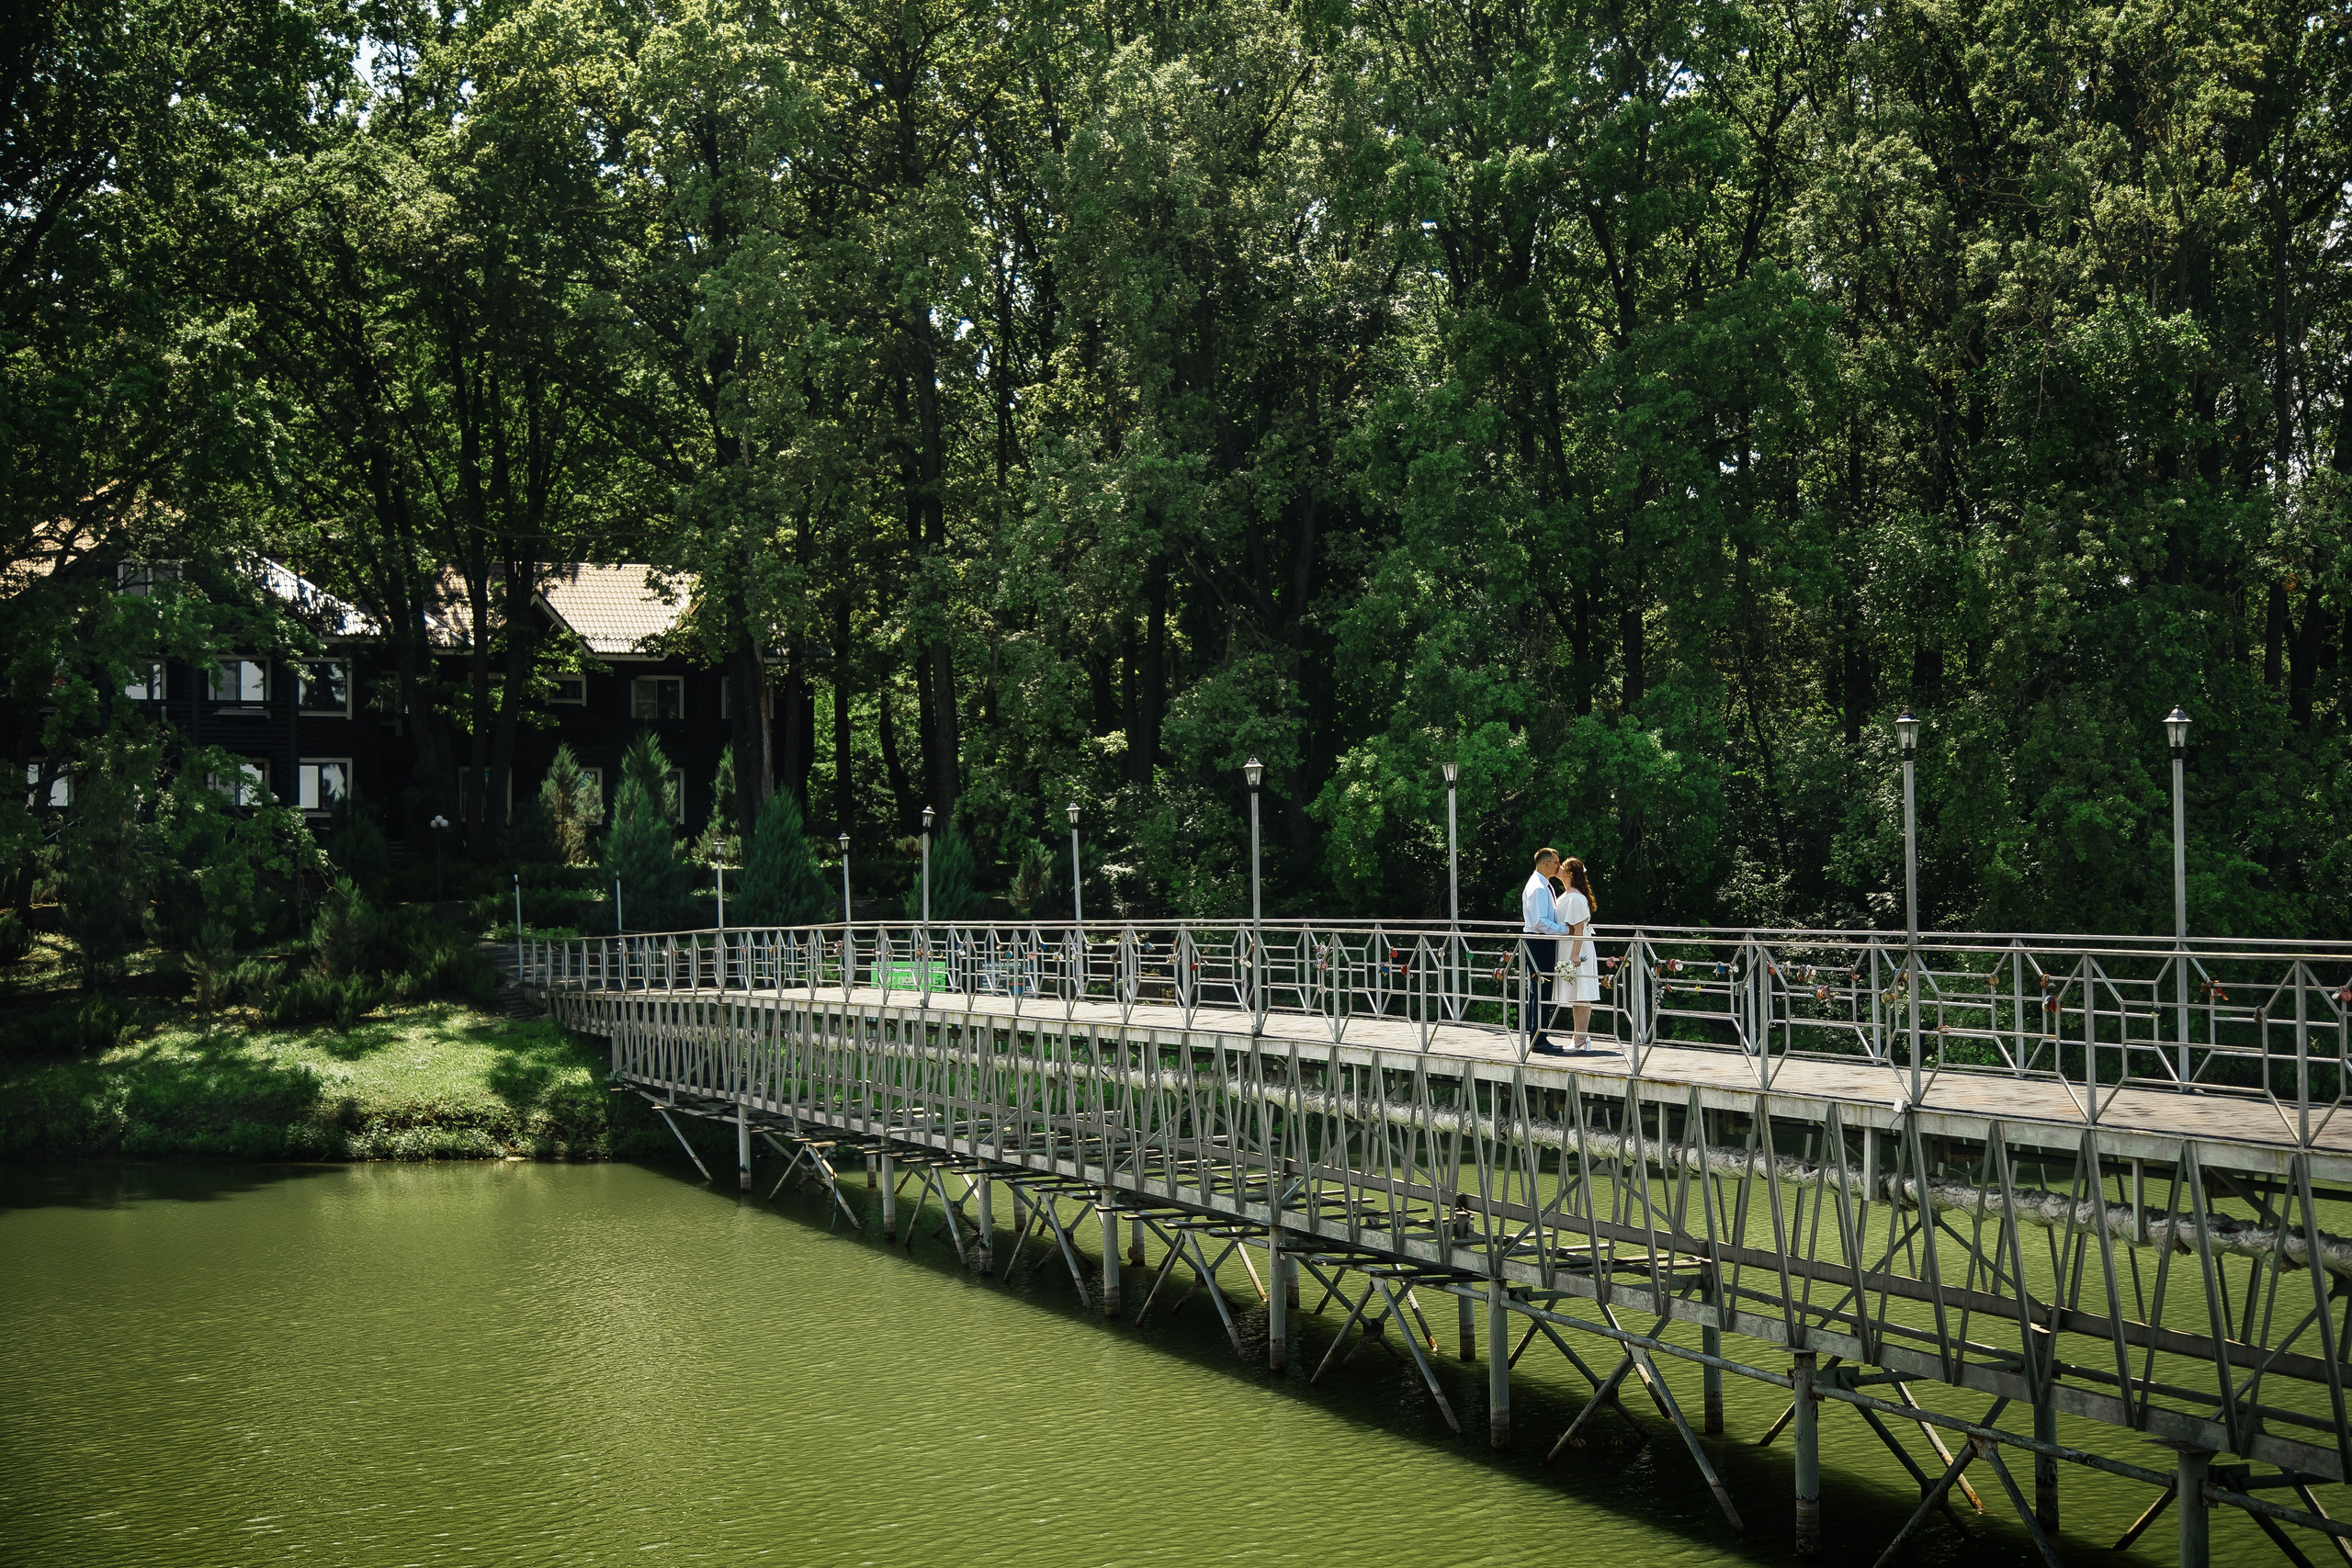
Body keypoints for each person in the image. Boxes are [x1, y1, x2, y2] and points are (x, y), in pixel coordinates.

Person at [1520, 848, 1572, 1055]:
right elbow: (1540, 922)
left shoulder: (1543, 884)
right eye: (1557, 863)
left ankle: (1538, 1036)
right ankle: (1539, 1038)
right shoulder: (1539, 888)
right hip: (1539, 942)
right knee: (1541, 990)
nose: (1559, 866)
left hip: (1540, 942)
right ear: (1546, 864)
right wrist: (1565, 931)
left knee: (1539, 990)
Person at [1555, 856, 1601, 1051]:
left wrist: (1575, 955)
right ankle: (1579, 1035)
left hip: (1578, 948)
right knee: (1575, 995)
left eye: (1562, 867)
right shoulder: (1565, 896)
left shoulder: (1575, 898)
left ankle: (1581, 1037)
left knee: (1582, 993)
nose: (1558, 869)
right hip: (1569, 946)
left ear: (1570, 873)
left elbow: (1579, 928)